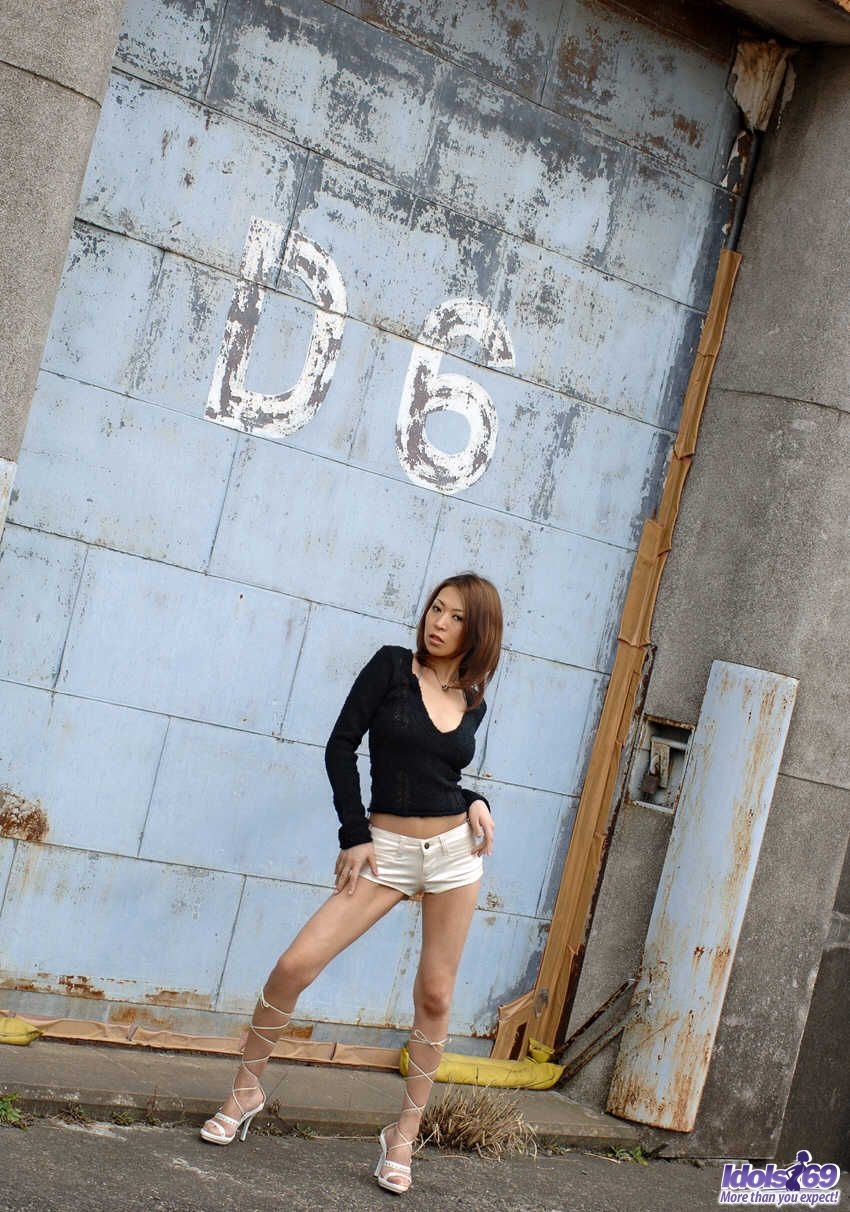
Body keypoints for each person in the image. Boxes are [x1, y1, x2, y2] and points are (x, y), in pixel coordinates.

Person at [200, 572, 502, 1195]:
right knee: (295, 964)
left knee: (436, 997)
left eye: (455, 617)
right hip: (384, 851)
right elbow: (341, 747)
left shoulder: (473, 700)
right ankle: (246, 1090)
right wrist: (354, 834)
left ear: (477, 632)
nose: (439, 622)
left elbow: (436, 773)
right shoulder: (391, 667)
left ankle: (403, 1136)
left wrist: (476, 798)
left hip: (454, 855)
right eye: (436, 609)